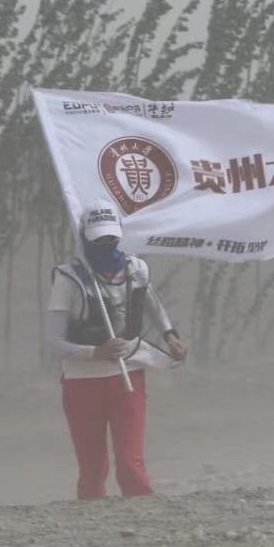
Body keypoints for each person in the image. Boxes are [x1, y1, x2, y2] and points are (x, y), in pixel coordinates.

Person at [45, 203, 188, 500]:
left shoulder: (136, 269)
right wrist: (95, 352)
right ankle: (92, 523)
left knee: (130, 465)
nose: (106, 246)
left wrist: (170, 335)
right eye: (99, 240)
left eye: (112, 239)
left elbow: (152, 303)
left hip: (129, 375)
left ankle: (144, 519)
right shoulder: (68, 278)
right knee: (93, 469)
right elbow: (54, 342)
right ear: (85, 237)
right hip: (82, 382)